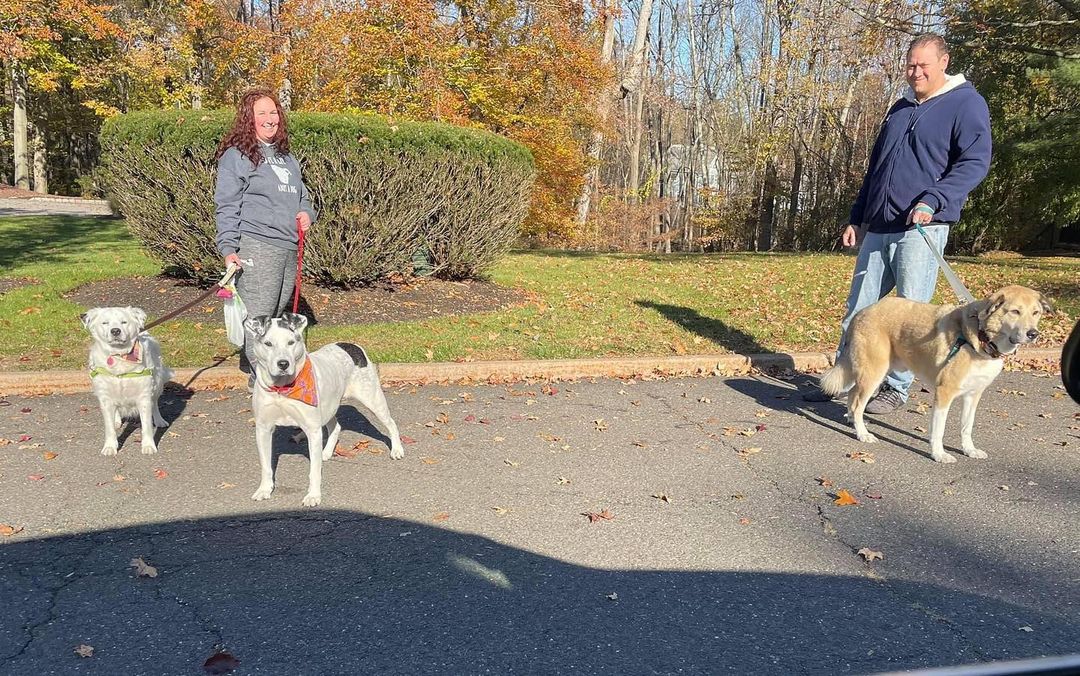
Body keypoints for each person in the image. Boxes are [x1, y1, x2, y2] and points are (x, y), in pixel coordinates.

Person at [804, 33, 992, 412]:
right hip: (880, 226)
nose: (915, 72)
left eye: (923, 65)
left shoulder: (965, 103)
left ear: (944, 62)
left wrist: (934, 199)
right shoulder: (899, 108)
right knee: (859, 311)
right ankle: (842, 379)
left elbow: (974, 163)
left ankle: (896, 387)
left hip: (922, 229)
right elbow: (875, 171)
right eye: (910, 65)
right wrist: (858, 218)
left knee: (911, 315)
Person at [214, 88, 317, 389]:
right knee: (259, 316)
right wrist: (229, 247)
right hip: (257, 243)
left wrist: (306, 213)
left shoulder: (287, 158)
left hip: (288, 246)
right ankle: (261, 382)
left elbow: (303, 196)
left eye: (273, 112)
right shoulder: (238, 157)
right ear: (249, 119)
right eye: (262, 113)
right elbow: (227, 204)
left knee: (274, 316)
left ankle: (261, 370)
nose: (270, 119)